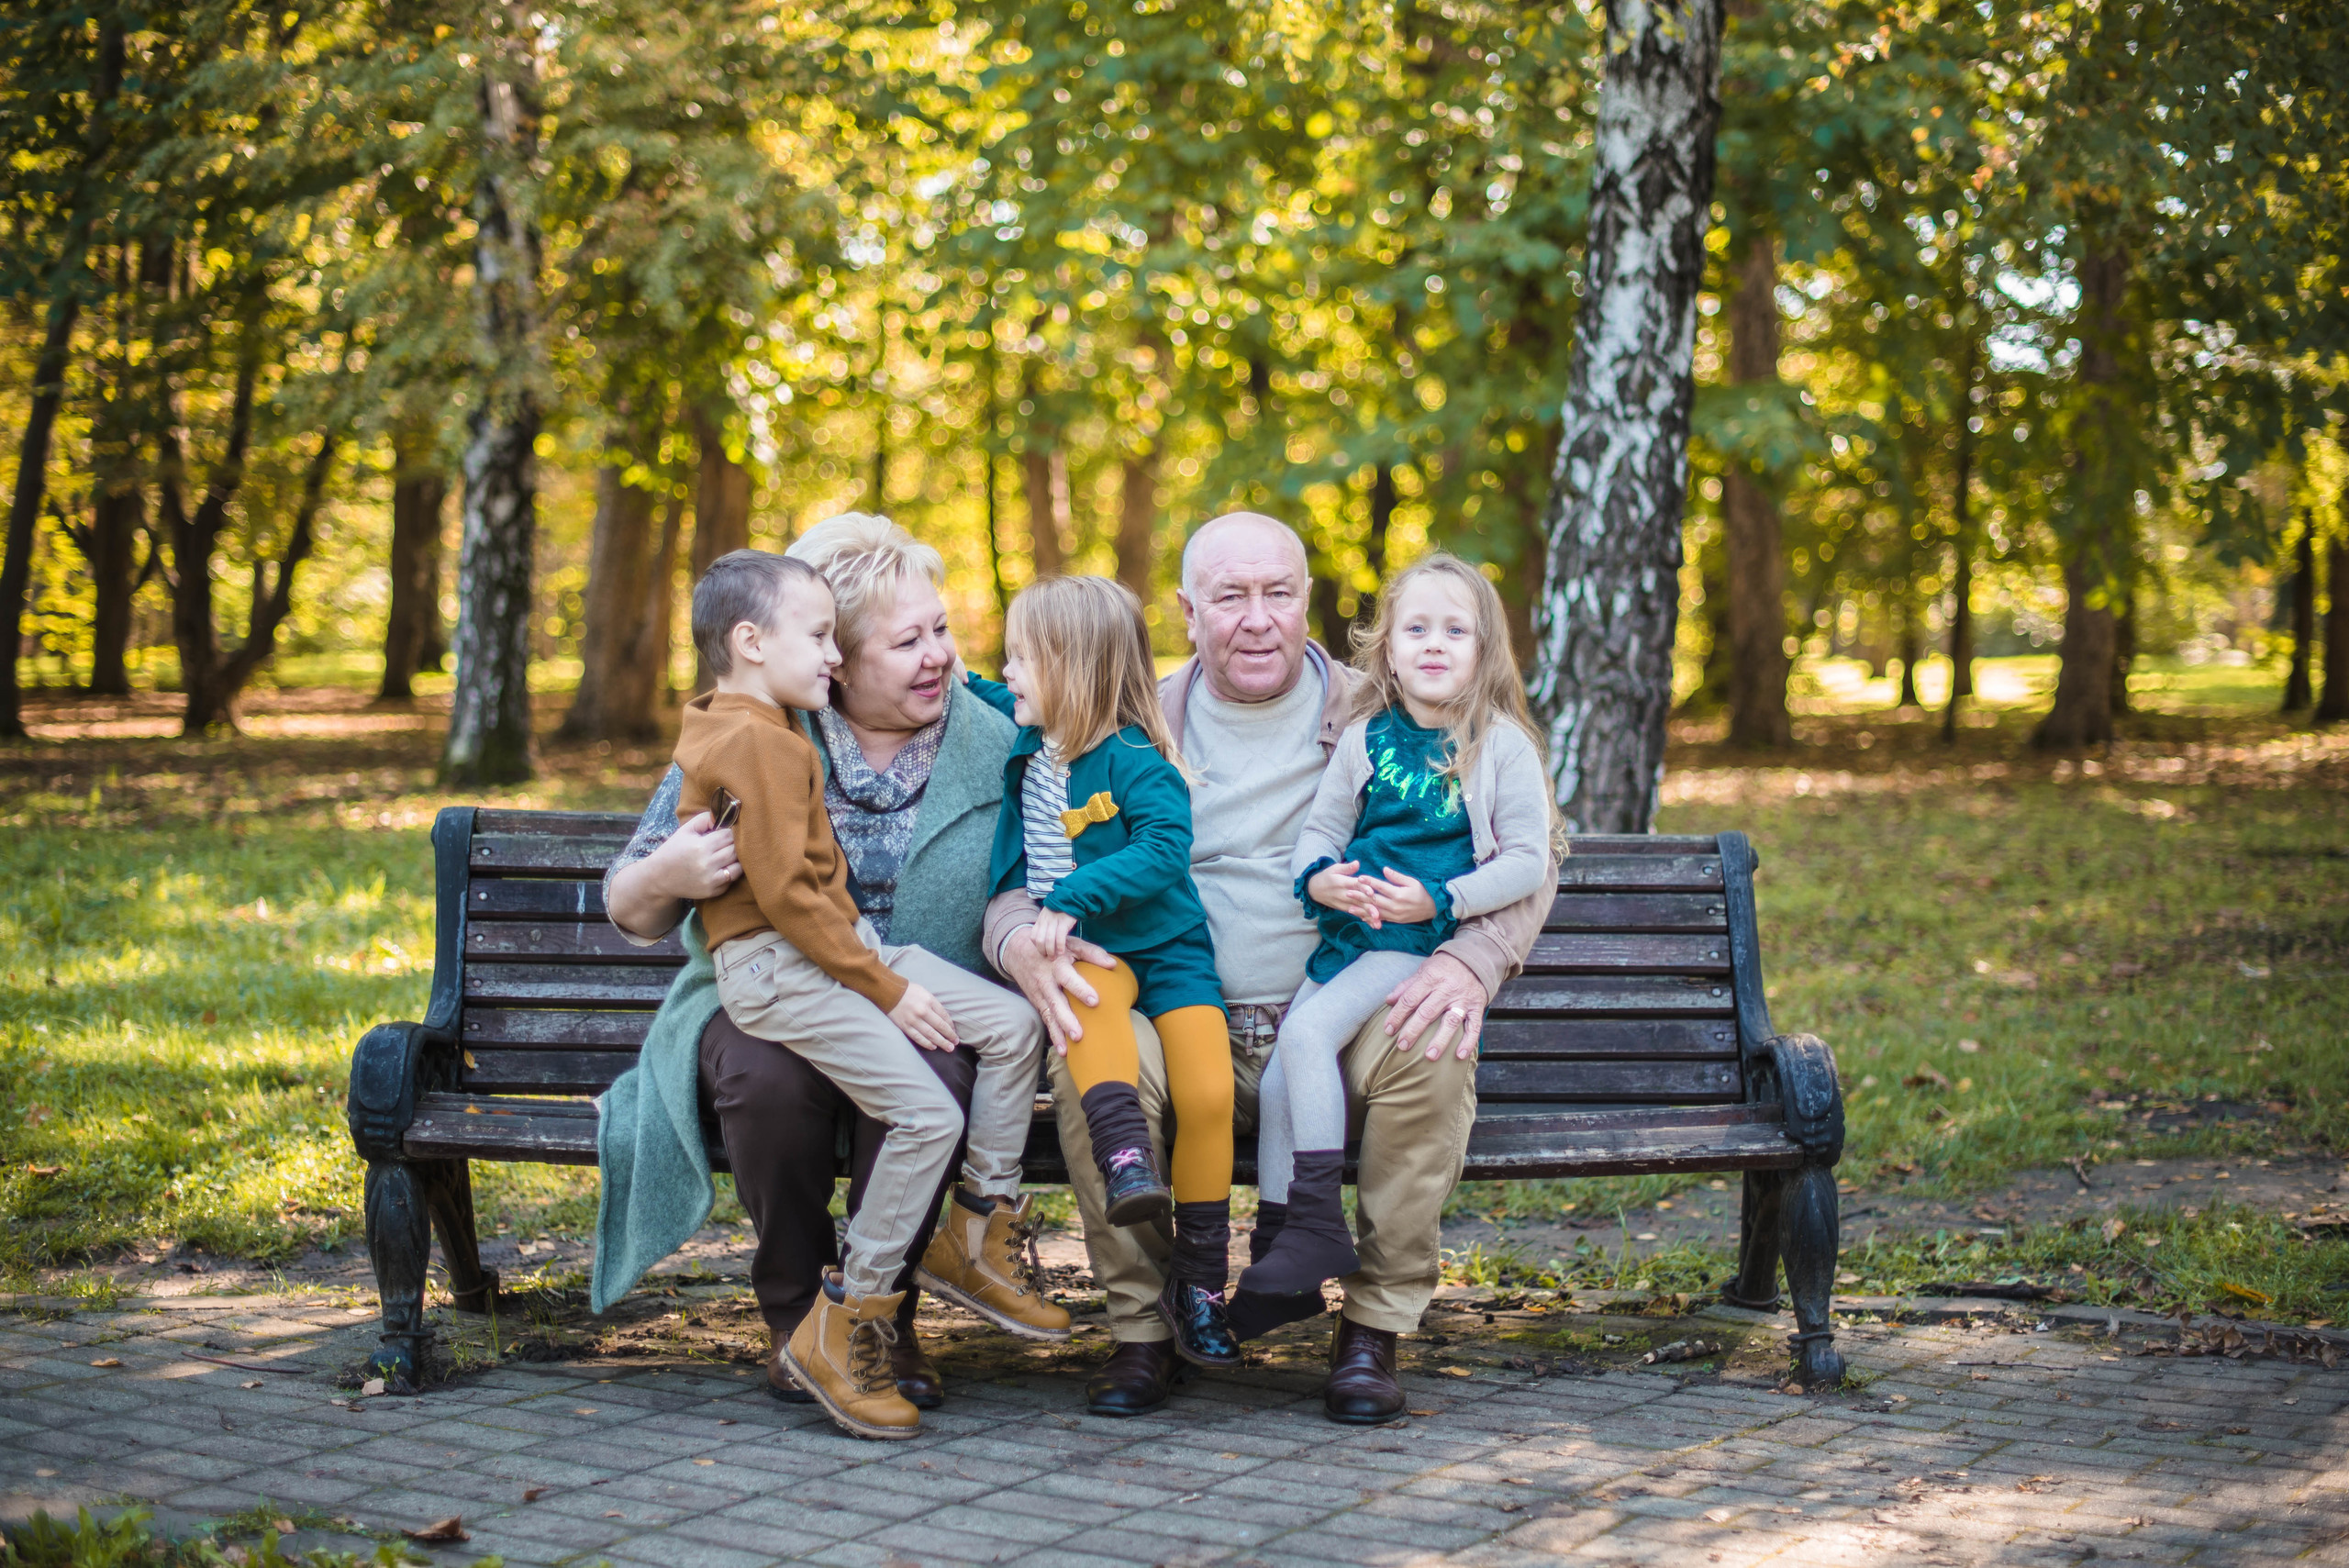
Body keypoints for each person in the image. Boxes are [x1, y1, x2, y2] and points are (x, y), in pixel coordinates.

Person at [987, 512, 1553, 1423]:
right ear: (1186, 609)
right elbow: (1022, 868)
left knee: (1431, 1044)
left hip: (1339, 1012)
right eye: (1230, 596)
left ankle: (1370, 1328)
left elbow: (1530, 850)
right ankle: (1145, 1329)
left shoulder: (1388, 707)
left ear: (1308, 602)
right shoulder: (1128, 719)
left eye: (1278, 593)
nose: (1257, 619)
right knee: (1096, 1056)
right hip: (1179, 1008)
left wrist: (1474, 959)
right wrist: (1018, 937)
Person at [596, 514, 1042, 1417]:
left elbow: (1044, 859)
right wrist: (668, 870)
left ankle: (879, 1319)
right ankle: (798, 1314)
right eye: (905, 640)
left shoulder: (994, 738)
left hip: (912, 986)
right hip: (773, 991)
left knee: (929, 1060)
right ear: (832, 654)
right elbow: (629, 903)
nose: (937, 657)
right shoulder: (759, 729)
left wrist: (1019, 931)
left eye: (941, 630)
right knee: (768, 1076)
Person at [1241, 552, 1555, 1299]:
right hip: (1352, 938)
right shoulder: (1365, 738)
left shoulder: (1499, 744)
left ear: (1485, 650)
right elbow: (1321, 830)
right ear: (1387, 646)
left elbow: (1527, 861)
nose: (1435, 643)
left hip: (1415, 945)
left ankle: (1315, 1224)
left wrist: (1442, 901)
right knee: (1284, 1068)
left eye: (1456, 629)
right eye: (1416, 627)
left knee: (1306, 1035)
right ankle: (1280, 1244)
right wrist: (1319, 876)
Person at [963, 576, 1241, 1368]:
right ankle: (1127, 1164)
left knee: (1208, 1091)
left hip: (1171, 953)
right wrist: (952, 670)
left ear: (1074, 669)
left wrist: (1072, 894)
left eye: (1023, 659)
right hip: (1097, 955)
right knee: (1085, 1015)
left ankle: (1201, 1282)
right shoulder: (1030, 742)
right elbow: (978, 690)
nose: (1008, 672)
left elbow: (1161, 849)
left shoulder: (1137, 761)